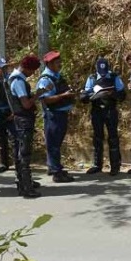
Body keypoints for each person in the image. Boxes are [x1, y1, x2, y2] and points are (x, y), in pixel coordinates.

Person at [6, 55, 45, 198]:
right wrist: (38, 94)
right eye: (33, 71)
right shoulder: (18, 81)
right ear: (27, 68)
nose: (32, 74)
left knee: (20, 153)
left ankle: (23, 183)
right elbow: (26, 104)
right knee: (24, 154)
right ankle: (26, 188)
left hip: (20, 120)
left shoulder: (14, 78)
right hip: (23, 121)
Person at [81, 57, 126, 175]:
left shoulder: (114, 77)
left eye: (104, 72)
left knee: (113, 138)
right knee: (97, 137)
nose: (103, 74)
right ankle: (97, 165)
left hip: (110, 110)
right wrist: (89, 95)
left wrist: (113, 93)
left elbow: (122, 95)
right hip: (96, 111)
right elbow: (85, 95)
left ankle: (115, 166)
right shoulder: (92, 78)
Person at [36, 50, 76, 183]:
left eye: (60, 61)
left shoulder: (57, 76)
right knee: (53, 144)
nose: (60, 64)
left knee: (56, 143)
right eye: (57, 62)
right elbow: (45, 100)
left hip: (61, 114)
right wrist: (64, 96)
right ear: (50, 64)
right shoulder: (46, 80)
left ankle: (53, 167)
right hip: (53, 115)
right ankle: (57, 173)